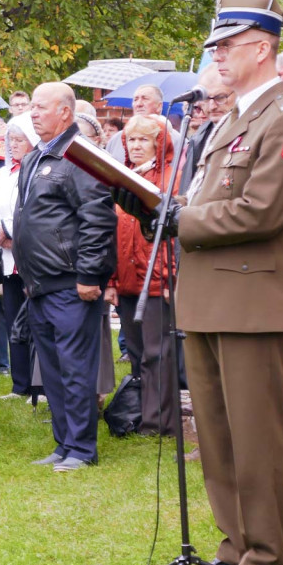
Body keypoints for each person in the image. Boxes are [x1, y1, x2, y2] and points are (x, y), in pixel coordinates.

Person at [115, 0, 283, 565]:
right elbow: (205, 202)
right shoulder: (229, 119)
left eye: (227, 47)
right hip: (203, 295)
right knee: (218, 436)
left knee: (255, 436)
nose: (218, 58)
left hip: (250, 300)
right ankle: (235, 544)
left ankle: (267, 554)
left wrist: (183, 221)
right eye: (217, 48)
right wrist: (156, 208)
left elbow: (261, 211)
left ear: (262, 48)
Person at [12, 82, 117, 472]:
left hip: (72, 283)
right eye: (32, 107)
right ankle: (64, 444)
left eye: (42, 107)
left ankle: (82, 449)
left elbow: (97, 218)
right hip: (38, 285)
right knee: (53, 370)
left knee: (75, 368)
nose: (34, 113)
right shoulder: (34, 158)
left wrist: (89, 274)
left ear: (65, 113)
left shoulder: (81, 157)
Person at [104, 114, 179, 436]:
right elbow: (112, 233)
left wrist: (170, 279)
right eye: (131, 140)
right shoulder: (124, 179)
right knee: (135, 353)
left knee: (157, 353)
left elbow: (173, 236)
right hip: (127, 281)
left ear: (159, 145)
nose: (136, 145)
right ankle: (140, 413)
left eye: (143, 140)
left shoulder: (170, 180)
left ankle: (158, 422)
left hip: (156, 280)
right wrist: (110, 282)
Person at [0, 114, 39, 400]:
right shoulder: (4, 174)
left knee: (37, 323)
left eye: (19, 139)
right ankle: (19, 385)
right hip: (8, 259)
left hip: (32, 257)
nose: (13, 144)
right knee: (13, 321)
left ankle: (40, 385)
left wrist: (15, 234)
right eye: (11, 139)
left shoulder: (36, 171)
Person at [179, 65, 235, 193]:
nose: (212, 106)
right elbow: (187, 191)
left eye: (220, 98)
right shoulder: (198, 138)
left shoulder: (251, 131)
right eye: (206, 99)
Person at [106, 85, 180, 163]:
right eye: (135, 99)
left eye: (145, 99)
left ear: (159, 106)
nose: (139, 104)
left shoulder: (177, 140)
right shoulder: (115, 140)